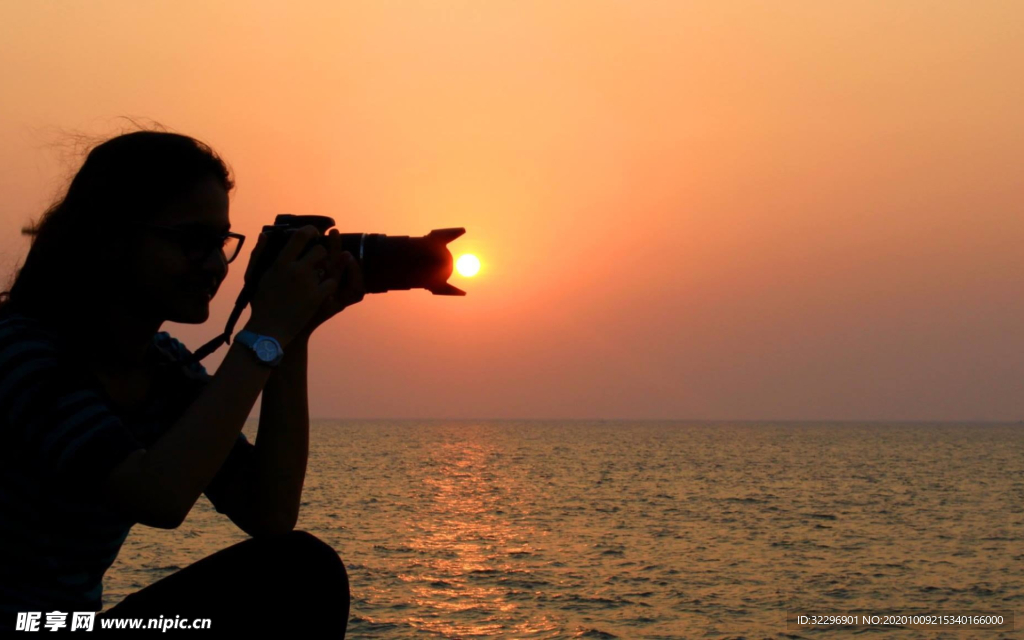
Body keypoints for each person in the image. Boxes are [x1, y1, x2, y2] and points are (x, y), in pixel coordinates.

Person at [0, 128, 364, 636]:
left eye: (220, 242)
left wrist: (293, 336)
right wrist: (266, 331)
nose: (214, 264)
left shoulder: (161, 368)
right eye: (192, 241)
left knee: (299, 572)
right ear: (111, 239)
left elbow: (269, 514)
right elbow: (157, 495)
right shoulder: (20, 352)